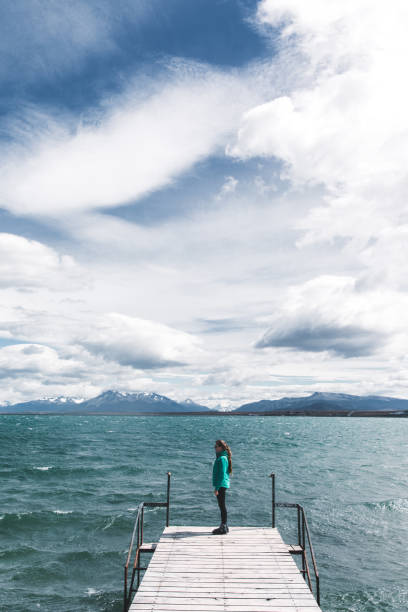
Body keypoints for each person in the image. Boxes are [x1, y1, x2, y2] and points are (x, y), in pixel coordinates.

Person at [212, 439, 232, 535]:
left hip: (221, 485)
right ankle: (224, 525)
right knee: (221, 505)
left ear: (221, 447)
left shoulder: (222, 459)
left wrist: (217, 488)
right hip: (222, 484)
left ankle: (223, 526)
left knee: (222, 505)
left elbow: (222, 474)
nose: (214, 448)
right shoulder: (222, 458)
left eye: (216, 446)